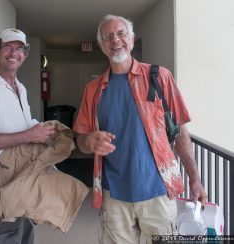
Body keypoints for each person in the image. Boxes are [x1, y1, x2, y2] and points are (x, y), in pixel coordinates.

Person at [73, 15, 207, 244]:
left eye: (121, 33)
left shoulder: (159, 77)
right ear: (102, 46)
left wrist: (195, 179)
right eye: (108, 36)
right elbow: (80, 140)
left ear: (132, 39)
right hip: (113, 197)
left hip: (158, 192)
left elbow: (181, 132)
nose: (115, 39)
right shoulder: (93, 90)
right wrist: (89, 142)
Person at [0, 28, 55, 244]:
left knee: (25, 237)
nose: (14, 53)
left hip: (19, 183)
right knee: (2, 238)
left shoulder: (19, 88)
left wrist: (43, 129)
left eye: (20, 49)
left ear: (24, 55)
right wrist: (29, 135)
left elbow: (22, 123)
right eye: (8, 47)